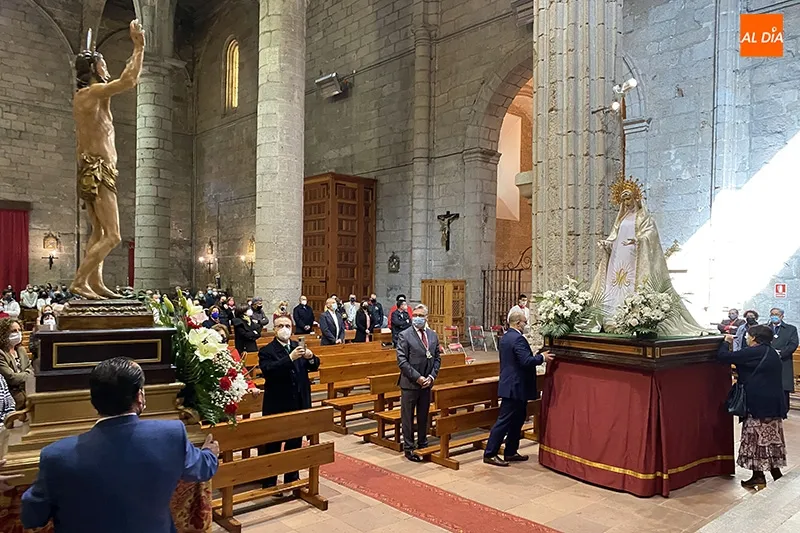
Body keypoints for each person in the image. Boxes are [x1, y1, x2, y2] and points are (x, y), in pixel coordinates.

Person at [21, 357, 219, 532]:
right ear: (139, 397)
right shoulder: (171, 435)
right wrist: (210, 452)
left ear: (93, 400)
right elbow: (202, 468)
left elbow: (32, 518)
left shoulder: (56, 456)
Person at [589, 175, 705, 334]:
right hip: (619, 258)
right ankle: (611, 317)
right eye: (624, 200)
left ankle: (632, 318)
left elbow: (650, 235)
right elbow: (614, 236)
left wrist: (638, 240)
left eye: (628, 198)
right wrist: (607, 244)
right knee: (615, 286)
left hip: (635, 257)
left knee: (631, 285)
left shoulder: (644, 217)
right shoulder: (620, 220)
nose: (626, 202)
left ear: (636, 198)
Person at [719, 325, 788, 489]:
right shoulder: (771, 352)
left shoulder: (754, 352)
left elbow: (723, 357)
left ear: (755, 338)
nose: (746, 338)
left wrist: (725, 341)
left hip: (758, 404)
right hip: (773, 404)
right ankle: (768, 474)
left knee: (755, 439)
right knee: (768, 439)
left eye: (748, 336)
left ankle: (761, 476)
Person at [484, 311, 553, 467]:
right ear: (517, 323)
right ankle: (490, 453)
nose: (525, 325)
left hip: (515, 386)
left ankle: (510, 451)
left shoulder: (507, 337)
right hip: (514, 386)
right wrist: (542, 358)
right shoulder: (517, 339)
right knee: (504, 421)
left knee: (518, 420)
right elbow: (526, 361)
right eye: (524, 322)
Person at [257, 315, 320, 488]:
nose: (284, 329)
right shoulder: (267, 350)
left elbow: (314, 366)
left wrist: (311, 356)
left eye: (287, 325)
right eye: (280, 326)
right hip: (278, 403)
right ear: (274, 329)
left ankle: (291, 477)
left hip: (298, 401)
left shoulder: (296, 346)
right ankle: (270, 481)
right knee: (274, 444)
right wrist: (289, 358)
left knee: (295, 442)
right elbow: (269, 370)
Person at [396, 304, 442, 462]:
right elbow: (402, 361)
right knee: (408, 417)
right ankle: (409, 447)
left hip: (427, 382)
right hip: (410, 383)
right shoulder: (405, 335)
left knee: (423, 415)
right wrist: (418, 378)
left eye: (420, 315)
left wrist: (431, 376)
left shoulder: (432, 335)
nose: (417, 317)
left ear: (426, 317)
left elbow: (437, 358)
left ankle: (422, 442)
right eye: (414, 314)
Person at [769, 308, 799, 410]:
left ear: (782, 316)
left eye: (776, 314)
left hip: (783, 361)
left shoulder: (791, 329)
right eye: (772, 314)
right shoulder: (765, 328)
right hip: (767, 361)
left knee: (783, 387)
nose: (774, 316)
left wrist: (780, 353)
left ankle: (783, 410)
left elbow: (793, 344)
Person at [0, 319, 33, 409]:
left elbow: (31, 369)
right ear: (4, 333)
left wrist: (27, 374)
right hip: (11, 394)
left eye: (19, 330)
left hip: (26, 390)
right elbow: (11, 378)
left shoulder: (21, 350)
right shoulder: (1, 353)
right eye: (14, 331)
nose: (18, 333)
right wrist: (28, 375)